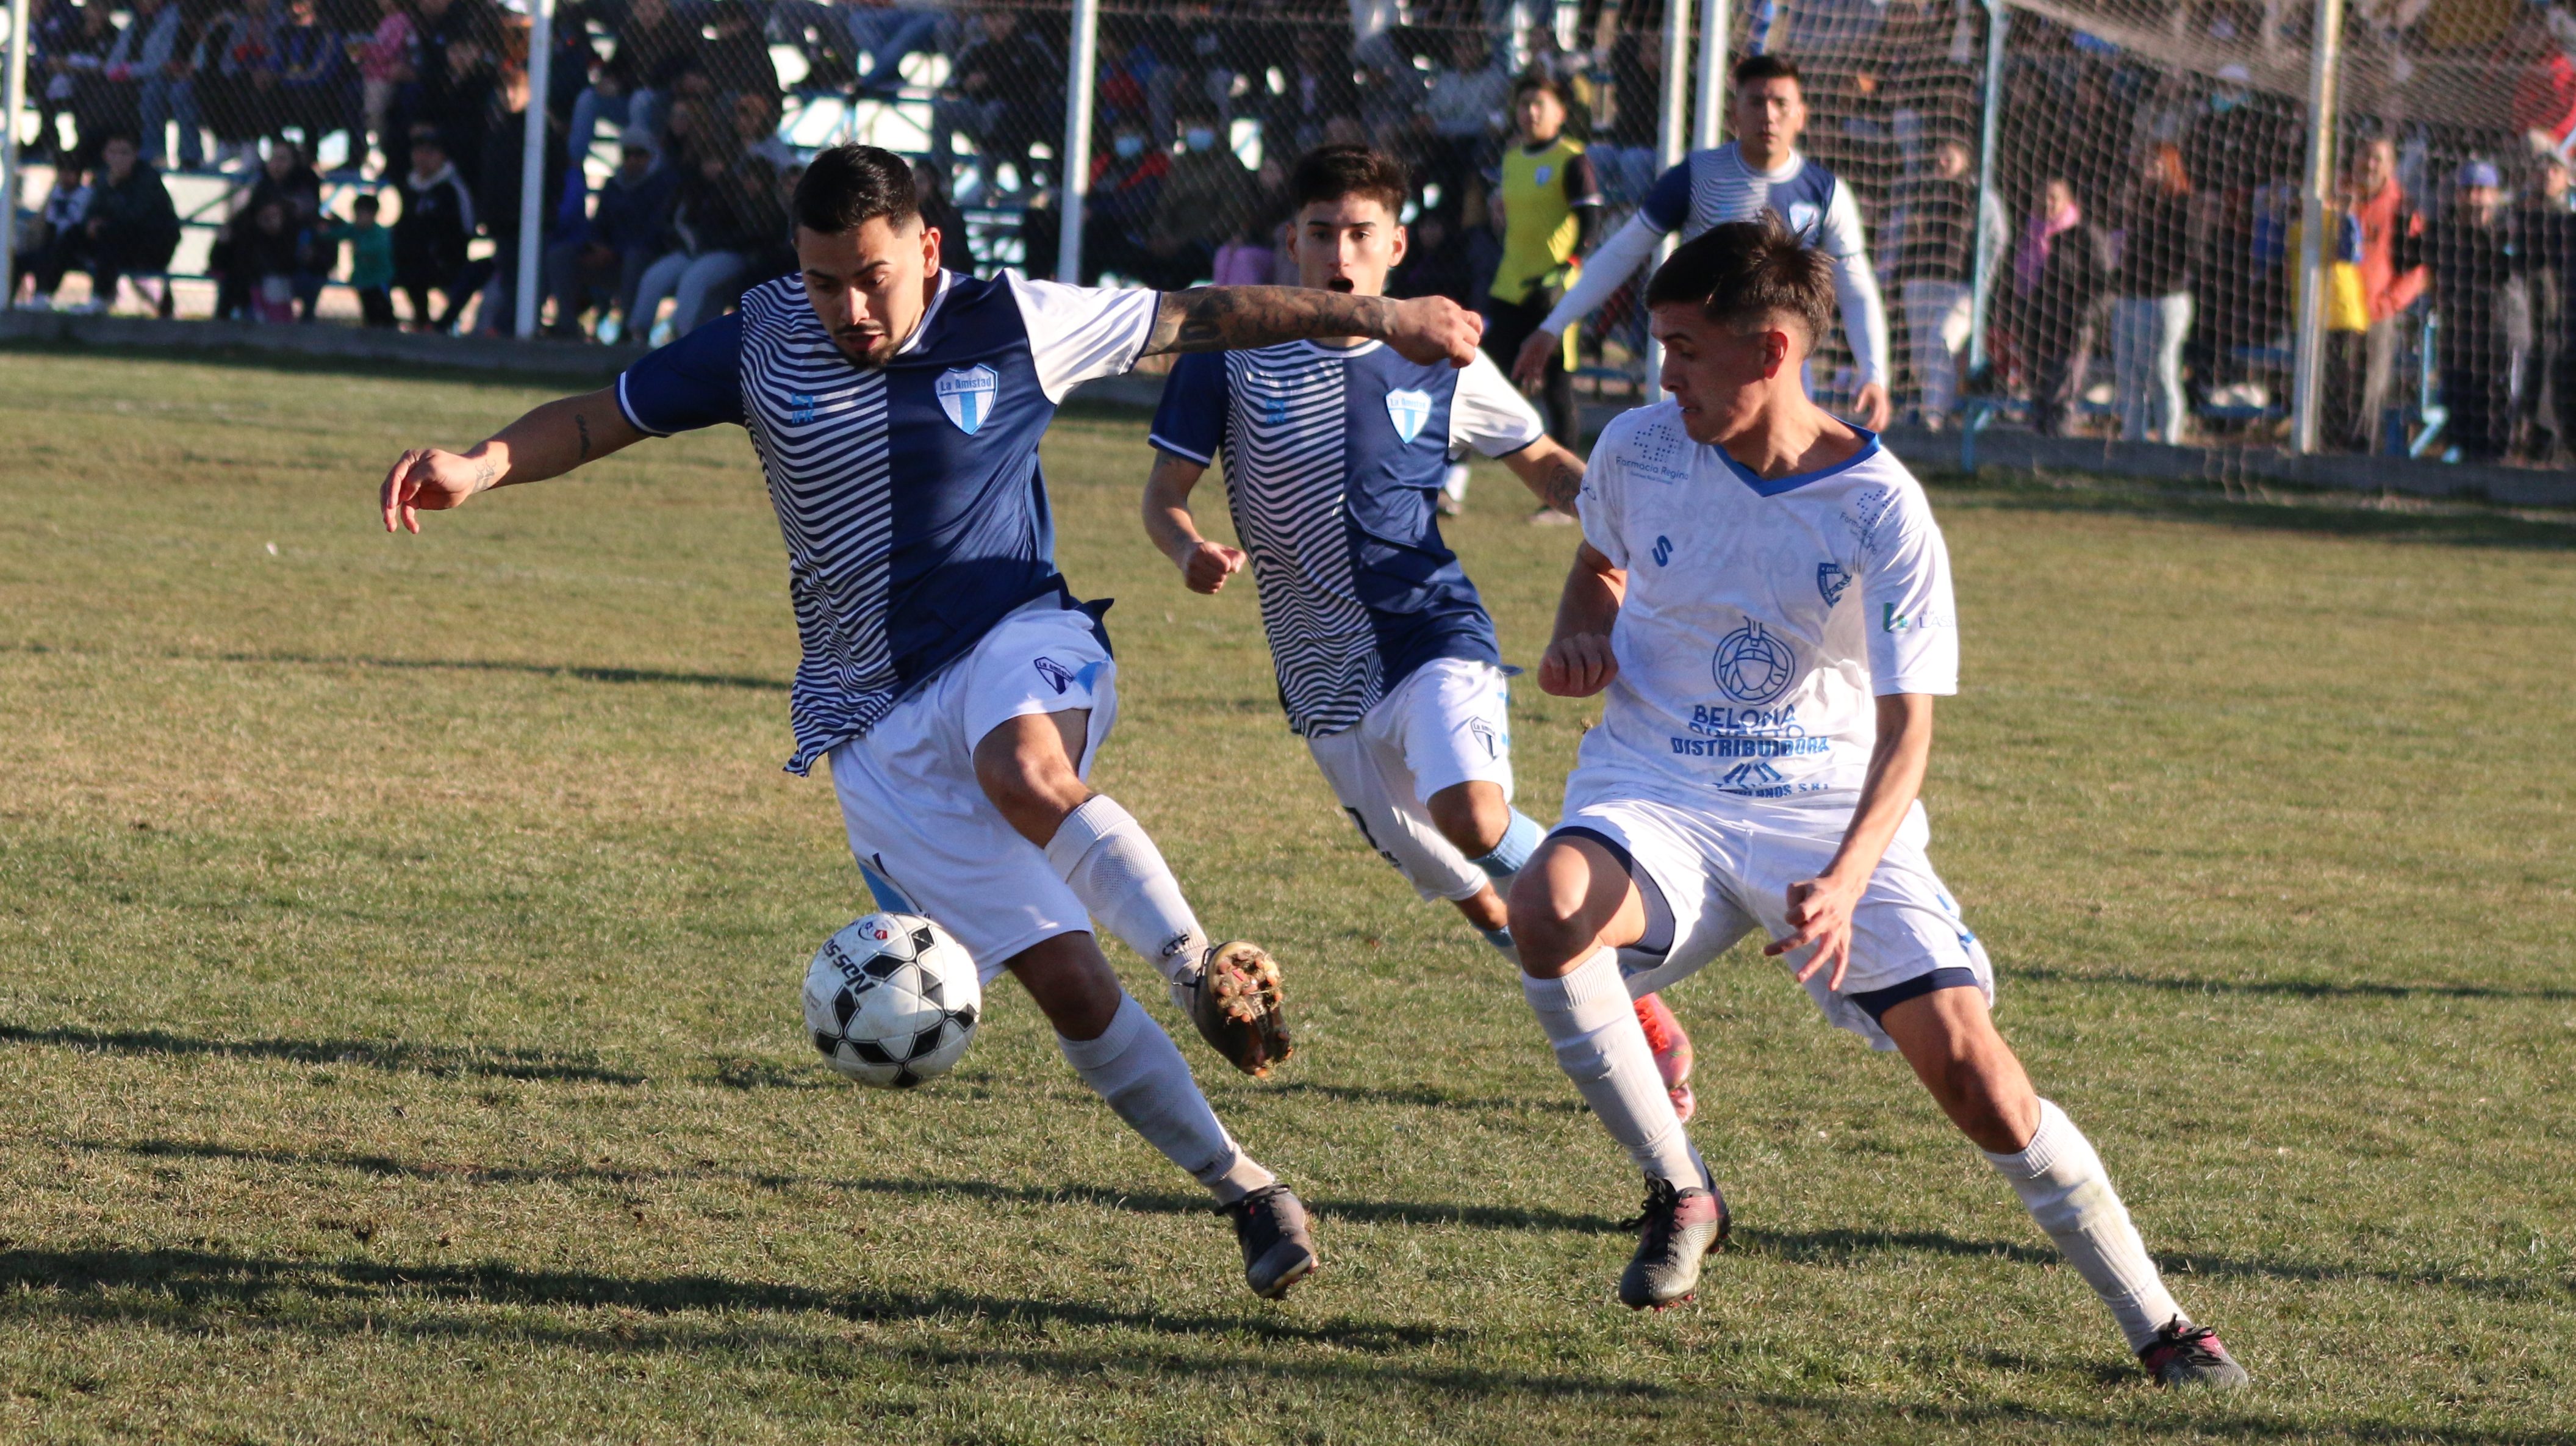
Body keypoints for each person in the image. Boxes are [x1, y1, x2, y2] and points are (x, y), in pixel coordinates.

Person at [376, 143, 1484, 1301]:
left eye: (872, 277)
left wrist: (1375, 313)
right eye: (822, 281)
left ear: (927, 250)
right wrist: (486, 462)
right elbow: (608, 416)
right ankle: (1248, 1188)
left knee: (1023, 764)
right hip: (868, 717)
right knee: (1066, 986)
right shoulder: (762, 336)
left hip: (1014, 635)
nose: (849, 308)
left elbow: (1204, 314)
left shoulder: (1018, 320)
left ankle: (1200, 965)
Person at [1505, 215, 2250, 1390]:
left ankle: (2158, 1322)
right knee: (1542, 909)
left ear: (1770, 352)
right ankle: (1681, 1186)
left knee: (1976, 1079)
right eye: (1657, 344)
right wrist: (1578, 632)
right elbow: (1598, 561)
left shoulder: (1879, 507)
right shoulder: (1641, 447)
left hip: (1830, 811)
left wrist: (1845, 882)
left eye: (1685, 349)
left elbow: (1909, 731)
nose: (1663, 375)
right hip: (1658, 786)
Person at [1141, 145, 1641, 1059]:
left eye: (1359, 233)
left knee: (1476, 819)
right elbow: (1161, 495)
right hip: (1319, 673)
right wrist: (1186, 548)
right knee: (1473, 890)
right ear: (1290, 242)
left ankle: (1625, 935)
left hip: (1430, 627)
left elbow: (1547, 472)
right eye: (1321, 232)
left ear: (1396, 245)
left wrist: (1649, 527)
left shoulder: (1437, 356)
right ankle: (1628, 997)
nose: (1340, 251)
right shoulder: (1229, 351)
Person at [1513, 54, 1892, 431]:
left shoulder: (1827, 192)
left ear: (1800, 116)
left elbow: (1856, 287)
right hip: (1703, 362)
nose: (1769, 114)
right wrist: (1554, 325)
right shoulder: (1696, 176)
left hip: (1784, 369)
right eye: (1756, 102)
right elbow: (1623, 251)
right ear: (1734, 112)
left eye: (1781, 103)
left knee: (1780, 481)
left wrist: (1874, 373)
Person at [1484, 74, 1600, 466]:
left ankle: (1569, 491)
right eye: (1524, 104)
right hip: (1510, 285)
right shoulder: (1512, 158)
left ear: (1560, 113)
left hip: (1554, 289)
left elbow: (1591, 224)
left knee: (1556, 386)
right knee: (1487, 378)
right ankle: (1455, 486)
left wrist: (1567, 269)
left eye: (1540, 105)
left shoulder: (1572, 158)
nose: (1531, 113)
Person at [1881, 137, 2000, 430]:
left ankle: (1933, 419)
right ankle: (1929, 410)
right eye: (1939, 158)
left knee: (1941, 342)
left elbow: (1997, 238)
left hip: (1957, 286)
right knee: (1922, 355)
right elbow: (1898, 232)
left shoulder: (1978, 195)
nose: (1943, 163)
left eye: (1950, 158)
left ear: (1965, 160)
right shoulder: (1921, 192)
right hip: (1919, 281)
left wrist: (1982, 283)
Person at [2328, 136, 2426, 455]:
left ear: (2391, 167)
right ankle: (2325, 448)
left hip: (2376, 312)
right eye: (2365, 156)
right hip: (2332, 310)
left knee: (2368, 387)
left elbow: (2420, 270)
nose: (2369, 165)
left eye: (2378, 159)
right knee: (2331, 380)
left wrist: (2389, 302)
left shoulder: (2402, 208)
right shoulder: (2336, 199)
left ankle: (2361, 455)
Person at [2427, 160, 2526, 464]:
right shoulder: (2444, 233)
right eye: (2468, 190)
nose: (2475, 198)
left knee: (2496, 401)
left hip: (2499, 333)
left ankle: (2495, 460)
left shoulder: (2508, 231)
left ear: (2495, 195)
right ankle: (2464, 461)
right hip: (2459, 330)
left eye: (2482, 190)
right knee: (2459, 400)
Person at [547, 130, 678, 338]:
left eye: (640, 154)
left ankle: (626, 331)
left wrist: (615, 251)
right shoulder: (614, 185)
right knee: (561, 254)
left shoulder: (663, 184)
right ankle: (566, 325)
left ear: (652, 156)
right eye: (628, 154)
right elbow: (599, 223)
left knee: (635, 258)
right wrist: (597, 245)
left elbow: (655, 231)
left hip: (645, 257)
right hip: (609, 257)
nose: (633, 160)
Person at [2110, 145, 2198, 445]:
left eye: (2156, 163)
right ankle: (2133, 439)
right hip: (2132, 296)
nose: (2149, 169)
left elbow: (2188, 254)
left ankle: (2169, 441)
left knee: (2160, 370)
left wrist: (2157, 276)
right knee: (2128, 371)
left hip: (2164, 298)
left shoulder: (2183, 204)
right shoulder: (2137, 202)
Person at [2014, 176, 2109, 437]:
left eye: (2054, 197)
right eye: (2043, 196)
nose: (2048, 203)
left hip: (2072, 324)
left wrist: (2087, 317)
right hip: (2038, 322)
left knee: (2063, 391)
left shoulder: (2084, 235)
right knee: (2039, 389)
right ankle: (2037, 449)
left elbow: (2102, 282)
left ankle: (2058, 449)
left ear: (2068, 201)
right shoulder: (2030, 234)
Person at [76, 134, 182, 314]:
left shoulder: (148, 179)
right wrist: (91, 223)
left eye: (124, 153)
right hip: (115, 239)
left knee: (110, 235)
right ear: (105, 155)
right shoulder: (103, 177)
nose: (118, 158)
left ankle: (102, 297)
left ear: (135, 155)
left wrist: (114, 191)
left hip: (151, 244)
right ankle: (42, 294)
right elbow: (92, 210)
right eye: (113, 152)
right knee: (72, 234)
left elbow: (136, 217)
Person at [392, 124, 478, 329]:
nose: (423, 158)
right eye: (418, 152)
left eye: (430, 153)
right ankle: (420, 318)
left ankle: (442, 324)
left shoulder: (451, 188)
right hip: (414, 258)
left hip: (446, 259)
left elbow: (466, 228)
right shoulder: (409, 188)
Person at [103, 0, 201, 171]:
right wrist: (122, 71)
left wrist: (130, 70)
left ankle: (181, 156)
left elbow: (162, 63)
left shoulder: (173, 18)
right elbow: (112, 63)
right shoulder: (135, 23)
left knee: (157, 92)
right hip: (134, 79)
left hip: (168, 78)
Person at [322, 193, 400, 327]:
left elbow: (379, 248)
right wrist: (323, 233)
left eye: (362, 215)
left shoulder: (379, 233)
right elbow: (337, 233)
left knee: (385, 311)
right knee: (369, 312)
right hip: (363, 281)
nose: (358, 219)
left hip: (379, 280)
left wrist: (361, 248)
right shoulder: (355, 230)